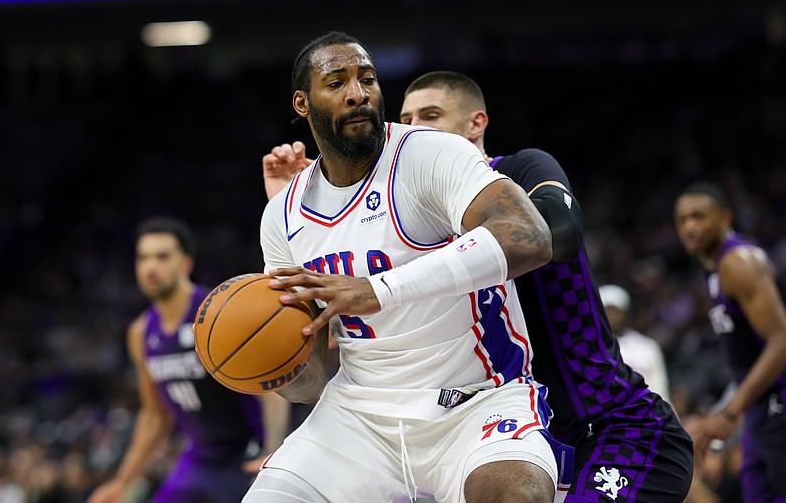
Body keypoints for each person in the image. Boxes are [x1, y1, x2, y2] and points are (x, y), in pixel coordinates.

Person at [264, 70, 693, 501]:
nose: (414, 129)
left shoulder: (519, 169)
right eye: (407, 118)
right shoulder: (407, 209)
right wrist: (318, 204)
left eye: (430, 115)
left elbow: (557, 235)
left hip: (604, 427)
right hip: (516, 434)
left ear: (476, 124)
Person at [245, 31, 573, 503]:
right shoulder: (281, 214)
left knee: (515, 496)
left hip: (476, 403)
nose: (358, 93)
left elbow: (530, 236)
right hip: (357, 417)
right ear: (302, 103)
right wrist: (265, 360)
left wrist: (377, 290)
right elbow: (309, 379)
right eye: (336, 83)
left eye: (368, 79)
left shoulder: (427, 153)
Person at [88, 217, 291, 503]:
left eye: (162, 257)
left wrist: (271, 455)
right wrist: (122, 482)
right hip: (200, 458)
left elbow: (271, 389)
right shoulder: (140, 331)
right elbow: (155, 413)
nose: (151, 266)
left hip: (246, 452)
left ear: (185, 264)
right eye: (143, 258)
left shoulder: (216, 312)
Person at [674, 180, 786, 502]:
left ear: (725, 218)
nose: (689, 227)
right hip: (760, 406)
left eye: (699, 216)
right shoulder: (713, 271)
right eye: (682, 220)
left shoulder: (738, 262)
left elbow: (781, 341)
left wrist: (728, 414)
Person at [600, 283, 672, 403]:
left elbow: (661, 388)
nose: (611, 316)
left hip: (647, 413)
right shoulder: (594, 348)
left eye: (615, 311)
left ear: (626, 312)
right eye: (607, 311)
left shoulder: (647, 346)